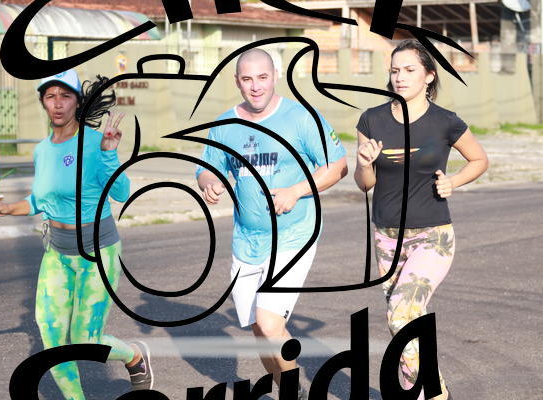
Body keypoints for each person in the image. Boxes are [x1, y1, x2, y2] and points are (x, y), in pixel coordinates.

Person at [0, 69, 153, 399]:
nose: (58, 103)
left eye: (65, 96)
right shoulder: (42, 150)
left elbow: (121, 193)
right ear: (43, 102)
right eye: (50, 96)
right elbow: (39, 200)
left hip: (97, 252)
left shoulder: (95, 142)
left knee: (85, 339)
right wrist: (5, 208)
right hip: (57, 252)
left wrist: (109, 153)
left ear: (77, 102)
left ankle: (133, 356)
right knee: (52, 339)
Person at [196, 49, 348, 398]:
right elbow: (206, 169)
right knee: (260, 333)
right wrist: (210, 183)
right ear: (237, 81)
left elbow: (338, 166)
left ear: (275, 76)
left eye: (262, 77)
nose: (255, 86)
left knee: (269, 323)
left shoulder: (300, 117)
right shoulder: (224, 125)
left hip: (294, 235)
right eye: (247, 79)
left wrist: (297, 190)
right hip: (246, 240)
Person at [354, 39, 488, 400]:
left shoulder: (445, 122)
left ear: (428, 75)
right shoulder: (371, 120)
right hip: (386, 236)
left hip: (433, 235)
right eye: (395, 70)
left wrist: (454, 181)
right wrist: (364, 163)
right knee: (403, 321)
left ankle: (435, 392)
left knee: (402, 314)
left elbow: (479, 159)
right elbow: (365, 184)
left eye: (410, 70)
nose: (400, 77)